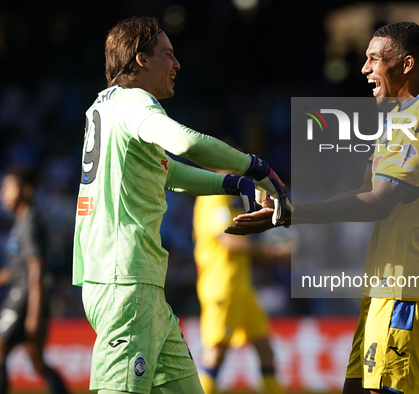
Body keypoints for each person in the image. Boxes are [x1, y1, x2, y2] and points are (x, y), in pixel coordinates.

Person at [228, 22, 419, 394]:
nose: (365, 69)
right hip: (388, 284)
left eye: (374, 59)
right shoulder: (401, 118)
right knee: (356, 388)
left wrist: (291, 214)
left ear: (406, 65)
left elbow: (379, 201)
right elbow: (368, 188)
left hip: (408, 286)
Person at [72, 16, 290, 394]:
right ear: (141, 59)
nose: (177, 64)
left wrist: (235, 182)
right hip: (126, 281)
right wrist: (256, 167)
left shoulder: (104, 107)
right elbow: (185, 144)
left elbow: (169, 171)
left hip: (135, 283)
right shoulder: (135, 102)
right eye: (168, 55)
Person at [194, 181, 287, 394]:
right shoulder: (213, 197)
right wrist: (269, 252)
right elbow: (227, 239)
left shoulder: (230, 199)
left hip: (242, 288)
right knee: (216, 352)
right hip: (222, 286)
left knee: (265, 350)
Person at [0, 166, 70, 394]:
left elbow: (36, 269)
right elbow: (18, 268)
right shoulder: (21, 222)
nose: (4, 193)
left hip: (24, 302)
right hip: (22, 299)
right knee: (37, 363)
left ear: (27, 190)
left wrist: (34, 313)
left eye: (9, 187)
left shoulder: (30, 222)